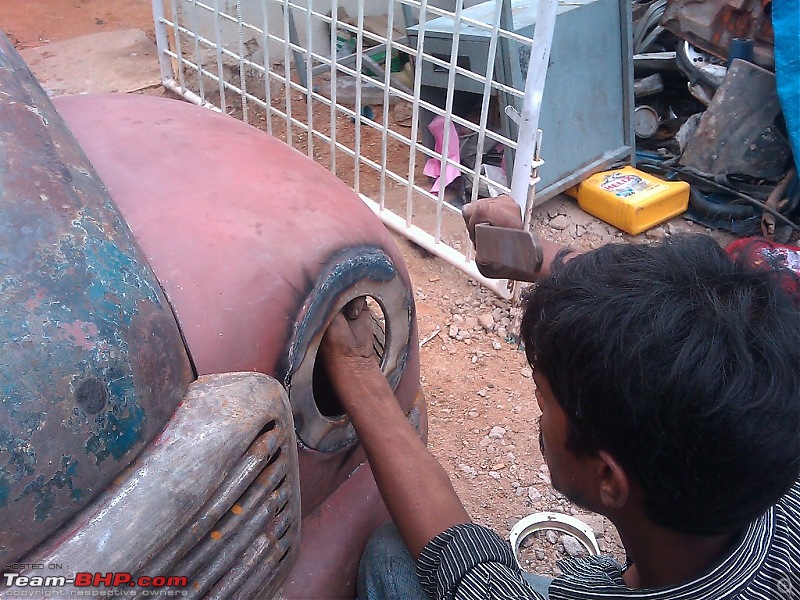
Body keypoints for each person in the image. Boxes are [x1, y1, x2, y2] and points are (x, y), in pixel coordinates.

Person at [320, 196, 800, 600]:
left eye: (543, 400)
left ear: (609, 478)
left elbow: (465, 569)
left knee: (392, 556)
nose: (539, 411)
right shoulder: (765, 450)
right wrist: (540, 259)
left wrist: (360, 375)